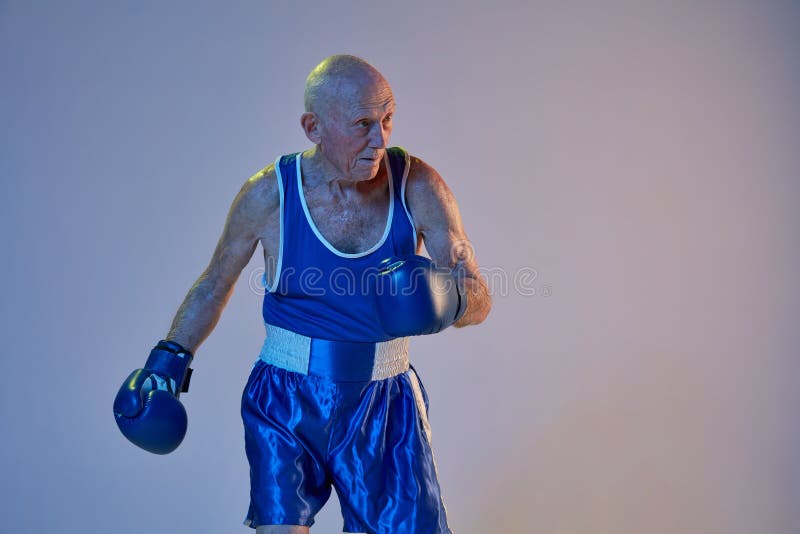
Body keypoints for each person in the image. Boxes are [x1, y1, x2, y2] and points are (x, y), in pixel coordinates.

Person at [113, 54, 492, 534]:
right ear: (313, 127)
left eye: (387, 119)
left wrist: (451, 299)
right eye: (362, 124)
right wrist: (166, 363)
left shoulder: (418, 185)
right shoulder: (268, 194)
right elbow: (214, 283)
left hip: (385, 404)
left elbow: (478, 293)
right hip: (286, 399)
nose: (380, 139)